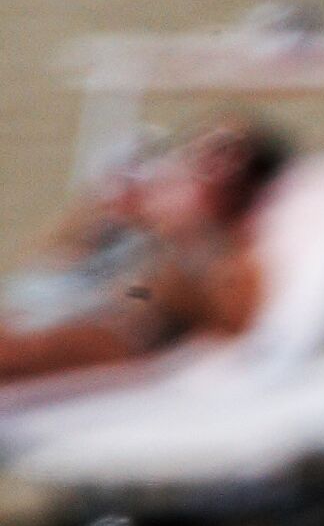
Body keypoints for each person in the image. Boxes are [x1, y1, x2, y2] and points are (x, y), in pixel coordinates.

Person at [0, 116, 291, 383]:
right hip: (51, 308)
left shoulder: (225, 251)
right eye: (199, 144)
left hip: (112, 333)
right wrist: (100, 211)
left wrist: (177, 232)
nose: (200, 158)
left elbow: (217, 314)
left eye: (226, 152)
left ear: (245, 187)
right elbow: (50, 259)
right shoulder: (131, 223)